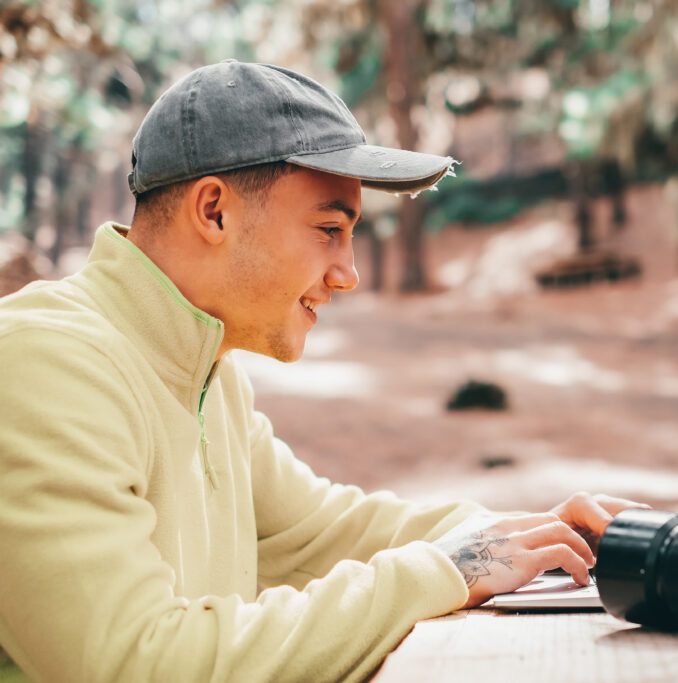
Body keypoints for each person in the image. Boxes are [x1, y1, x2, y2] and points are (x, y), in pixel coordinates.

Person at [0, 60, 644, 682]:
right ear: (214, 211)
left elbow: (321, 533)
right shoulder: (46, 365)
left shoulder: (206, 373)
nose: (348, 273)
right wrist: (448, 570)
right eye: (328, 228)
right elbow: (135, 662)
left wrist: (529, 536)